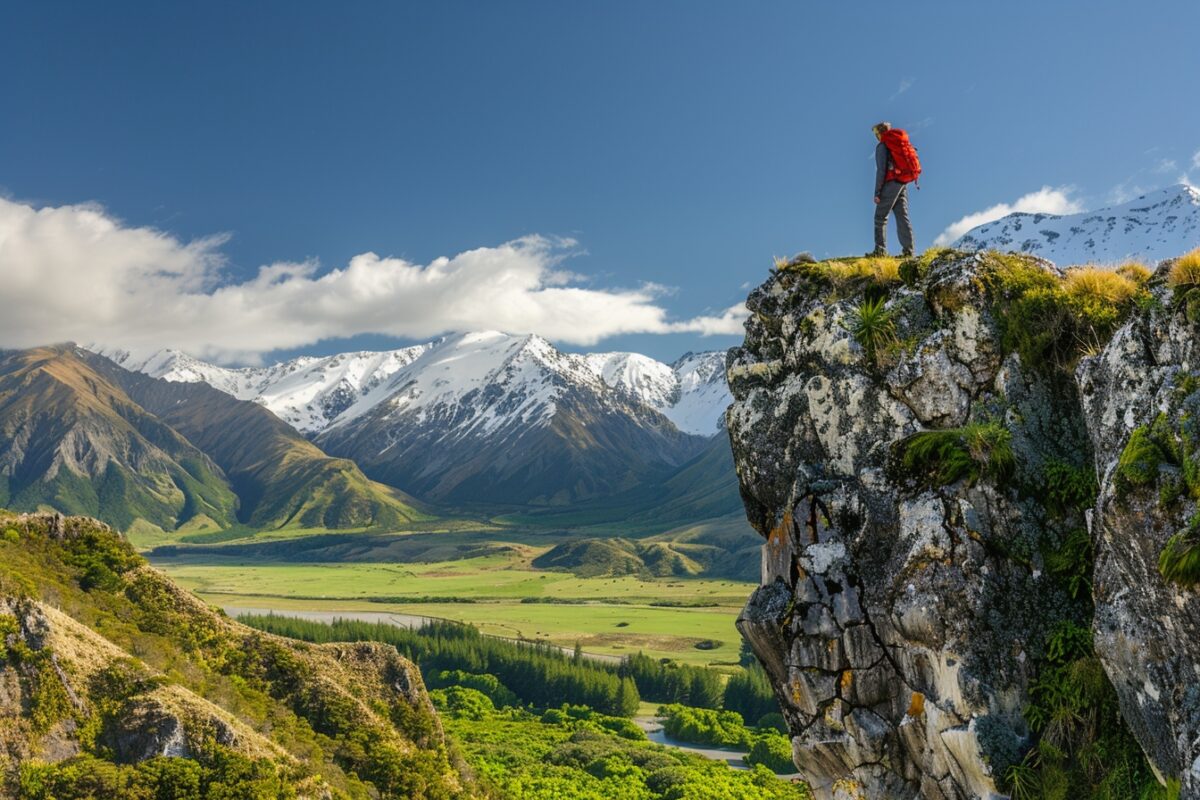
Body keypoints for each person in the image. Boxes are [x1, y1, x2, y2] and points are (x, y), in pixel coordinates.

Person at [871, 121, 916, 257]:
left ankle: (880, 251)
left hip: (891, 183)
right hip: (902, 182)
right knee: (902, 216)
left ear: (880, 133)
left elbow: (881, 170)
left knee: (880, 217)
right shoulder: (897, 143)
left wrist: (877, 192)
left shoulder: (883, 146)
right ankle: (909, 251)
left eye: (876, 133)